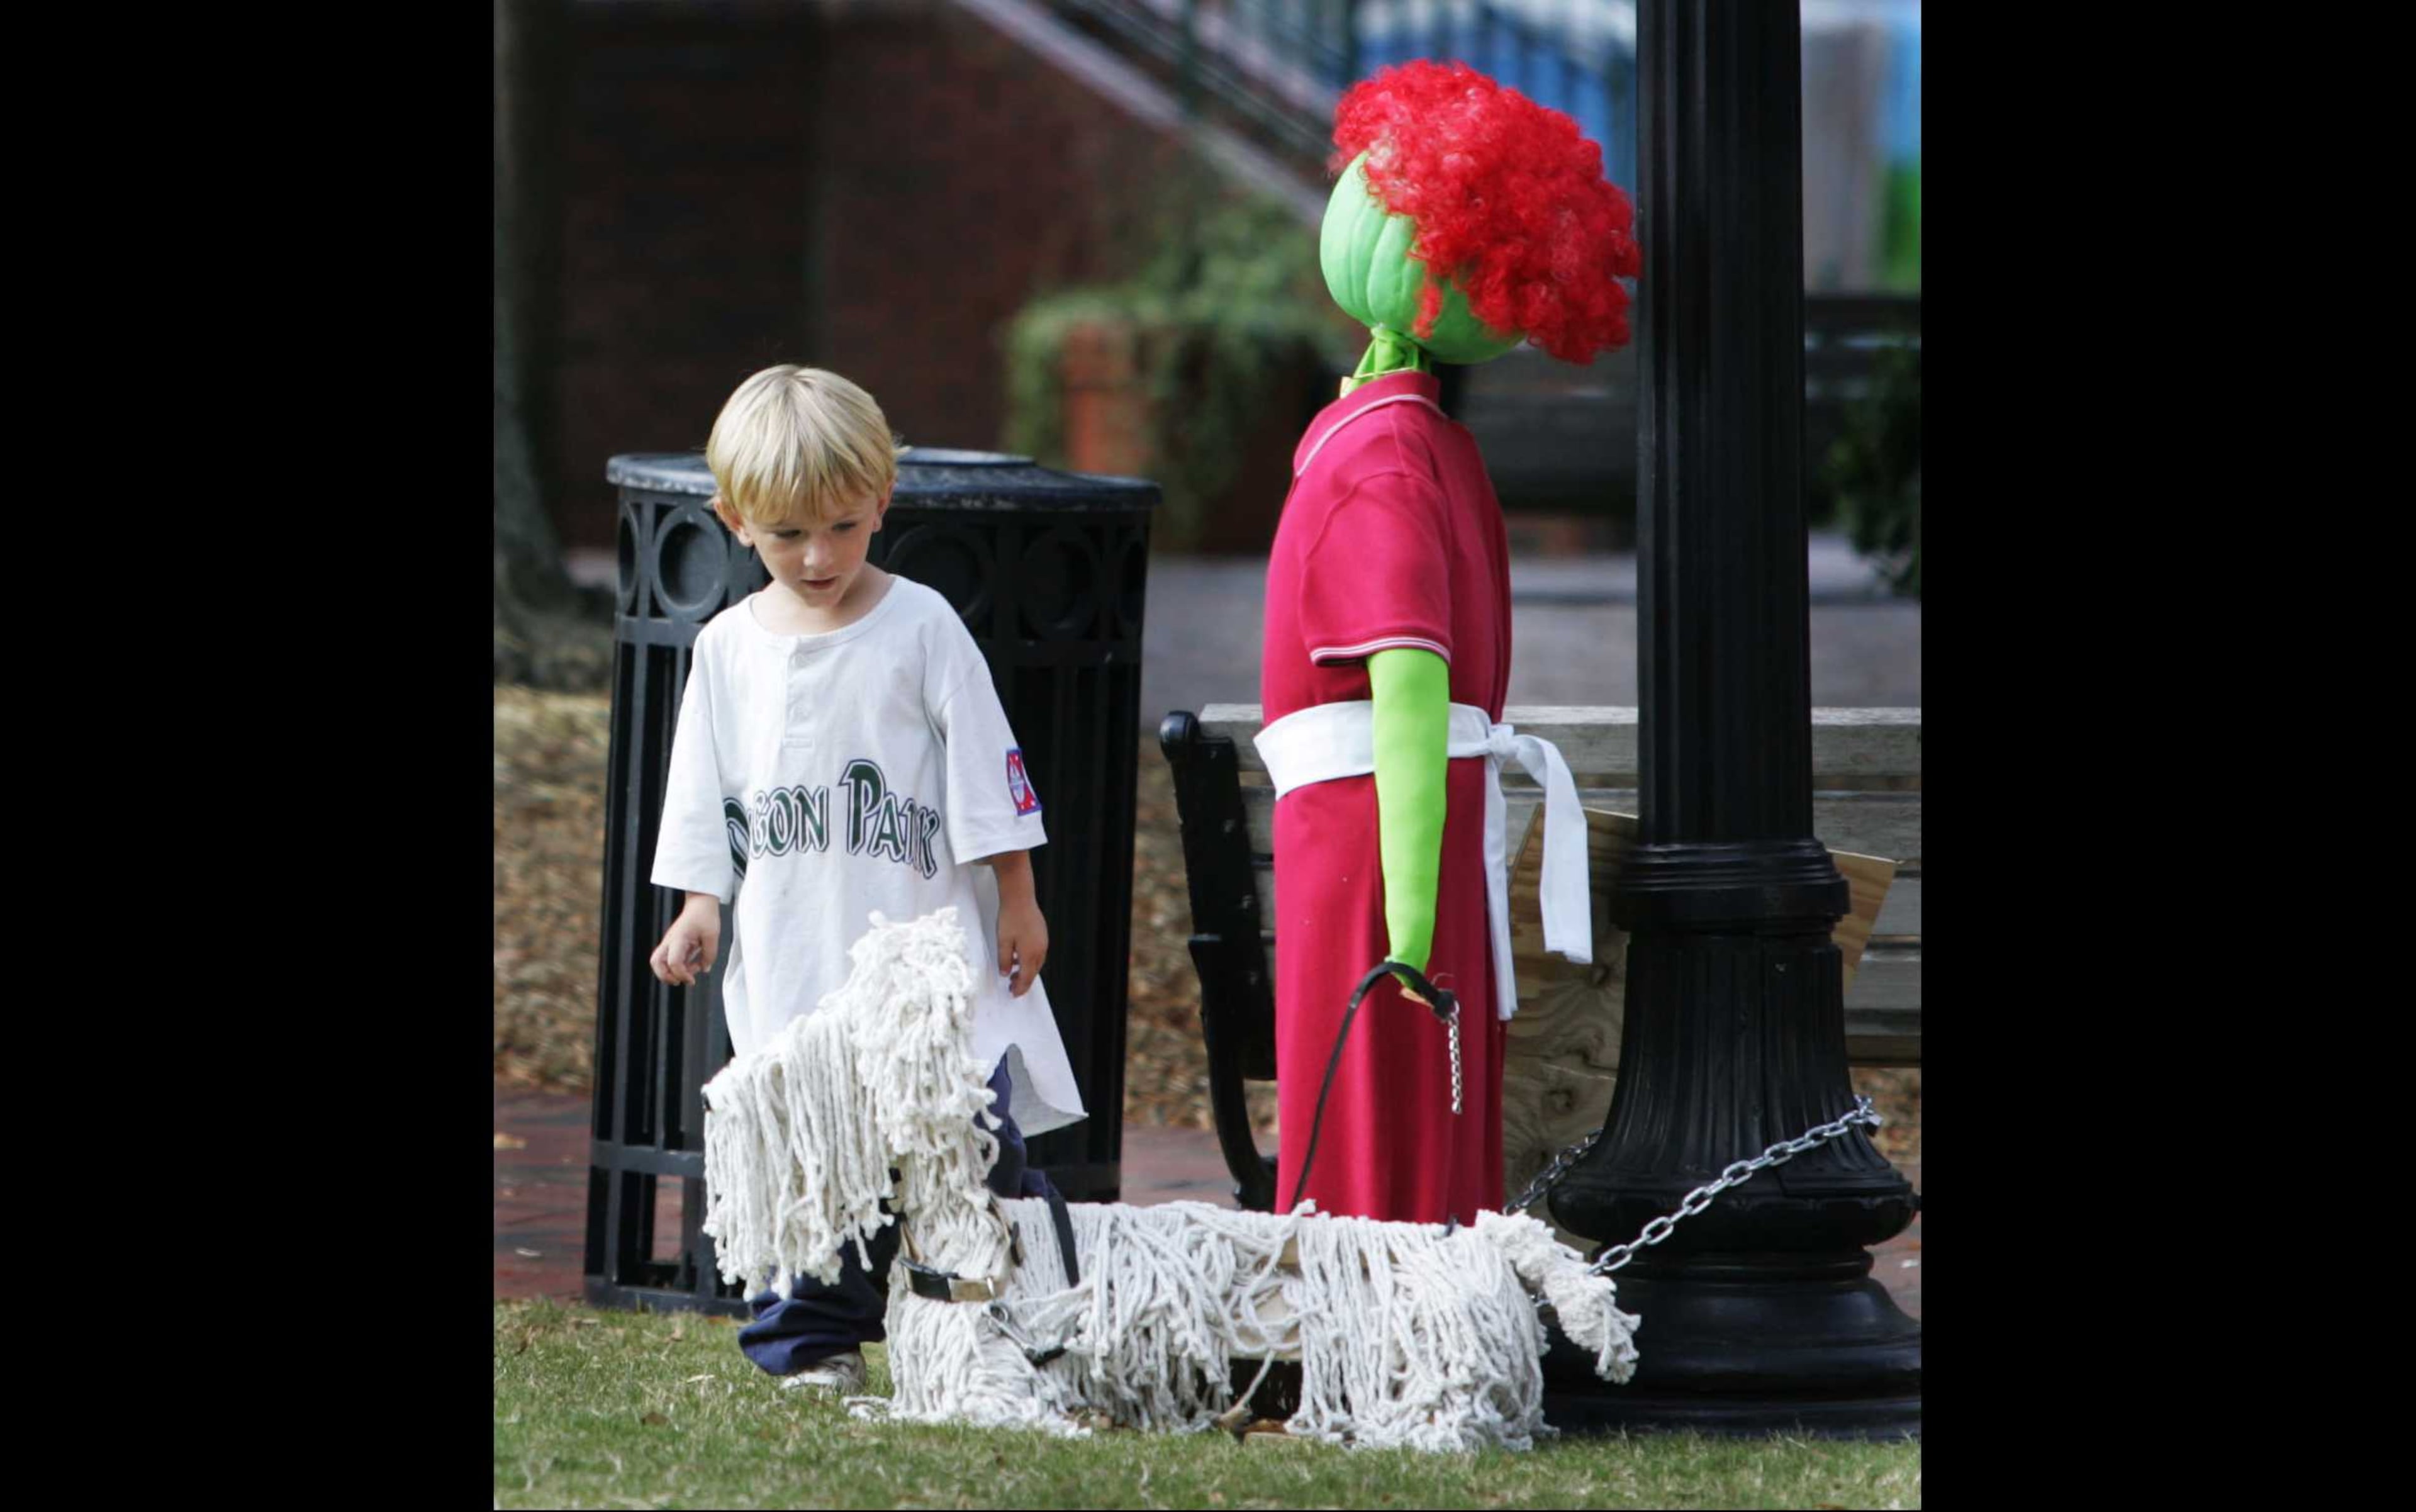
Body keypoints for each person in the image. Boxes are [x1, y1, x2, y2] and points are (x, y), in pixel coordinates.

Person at [647, 364, 1085, 1392]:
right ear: (735, 517)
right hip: (794, 955)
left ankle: (998, 1327)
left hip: (927, 967)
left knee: (971, 1148)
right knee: (811, 1155)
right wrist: (699, 904)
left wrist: (1017, 899)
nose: (818, 555)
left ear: (883, 503)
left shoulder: (922, 626)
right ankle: (811, 1346)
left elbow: (988, 774)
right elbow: (703, 793)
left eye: (844, 527)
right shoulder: (725, 652)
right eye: (790, 530)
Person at [1258, 62, 1638, 1226]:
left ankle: (1377, 1334)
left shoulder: (1380, 460)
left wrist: (1409, 925)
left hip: (1372, 835)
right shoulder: (1421, 448)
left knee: (1381, 1099)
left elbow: (1410, 691)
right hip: (1385, 826)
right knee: (1403, 1100)